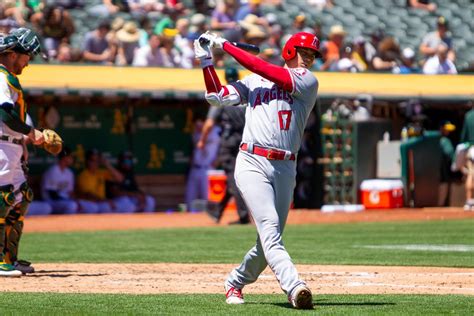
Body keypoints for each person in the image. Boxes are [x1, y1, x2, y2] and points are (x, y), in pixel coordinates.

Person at [194, 30, 321, 308]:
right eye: (304, 53)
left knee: (267, 245)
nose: (308, 60)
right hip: (252, 160)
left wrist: (224, 45)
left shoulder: (307, 82)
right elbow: (216, 96)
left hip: (286, 166)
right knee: (270, 229)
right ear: (289, 51)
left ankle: (235, 282)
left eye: (312, 55)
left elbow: (260, 65)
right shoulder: (254, 81)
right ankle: (295, 286)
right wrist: (206, 59)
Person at [0, 27, 45, 277]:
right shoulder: (0, 76)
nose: (29, 62)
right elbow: (4, 113)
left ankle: (9, 257)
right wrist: (29, 132)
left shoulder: (8, 77)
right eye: (28, 56)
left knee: (21, 197)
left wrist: (26, 141)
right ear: (15, 53)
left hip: (12, 145)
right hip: (2, 144)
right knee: (2, 198)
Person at [200, 67, 250, 225]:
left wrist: (202, 140)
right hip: (244, 142)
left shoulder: (223, 95)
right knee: (236, 177)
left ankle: (243, 216)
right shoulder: (245, 96)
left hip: (228, 143)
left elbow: (209, 124)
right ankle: (216, 210)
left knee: (233, 179)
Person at [76, 149, 136, 213]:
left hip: (102, 202)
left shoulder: (100, 172)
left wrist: (107, 164)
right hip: (89, 202)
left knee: (127, 203)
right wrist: (105, 200)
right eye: (92, 160)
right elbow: (88, 195)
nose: (95, 163)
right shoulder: (83, 175)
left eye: (97, 161)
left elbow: (120, 179)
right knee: (100, 207)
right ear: (87, 161)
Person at [185, 118, 220, 212]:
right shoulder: (196, 134)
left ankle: (207, 221)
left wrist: (218, 159)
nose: (198, 127)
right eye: (197, 125)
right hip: (195, 168)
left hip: (208, 169)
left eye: (200, 125)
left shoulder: (216, 131)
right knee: (190, 197)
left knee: (207, 197)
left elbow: (222, 146)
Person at [41, 146, 79, 214]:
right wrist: (68, 200)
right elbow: (52, 194)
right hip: (51, 201)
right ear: (64, 157)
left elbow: (70, 192)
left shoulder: (69, 173)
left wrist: (77, 201)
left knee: (80, 205)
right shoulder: (53, 171)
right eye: (70, 157)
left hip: (64, 201)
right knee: (71, 205)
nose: (72, 159)